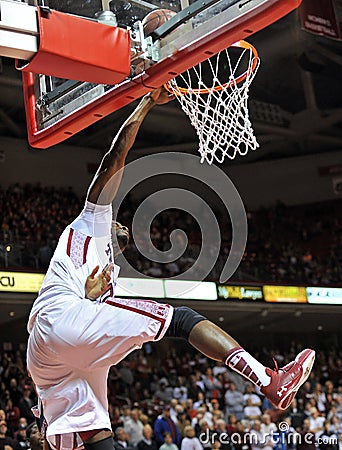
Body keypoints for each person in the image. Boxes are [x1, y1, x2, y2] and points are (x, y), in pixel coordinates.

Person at [27, 87, 315, 450]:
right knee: (179, 319)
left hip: (47, 356)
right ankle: (269, 381)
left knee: (97, 432)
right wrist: (145, 102)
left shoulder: (101, 274)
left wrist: (89, 298)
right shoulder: (90, 221)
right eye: (121, 225)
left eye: (123, 231)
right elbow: (113, 159)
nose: (120, 225)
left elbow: (78, 316)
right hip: (57, 327)